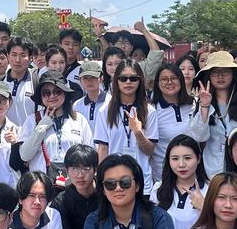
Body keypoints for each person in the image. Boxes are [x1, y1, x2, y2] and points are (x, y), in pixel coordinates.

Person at [94, 59, 159, 194]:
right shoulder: (105, 111)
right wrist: (102, 181)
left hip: (141, 181)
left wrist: (138, 133)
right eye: (123, 78)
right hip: (114, 182)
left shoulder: (149, 111)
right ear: (116, 81)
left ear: (140, 81)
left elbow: (149, 151)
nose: (128, 82)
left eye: (133, 78)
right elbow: (103, 148)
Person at [19, 71, 93, 184]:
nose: (52, 96)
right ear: (41, 97)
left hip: (73, 184)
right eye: (46, 93)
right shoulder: (31, 120)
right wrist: (43, 124)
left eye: (57, 91)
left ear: (65, 93)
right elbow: (25, 155)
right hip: (41, 185)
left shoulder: (79, 120)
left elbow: (90, 154)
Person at [196, 51, 237, 177]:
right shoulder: (202, 101)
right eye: (215, 72)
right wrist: (205, 105)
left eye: (226, 72)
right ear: (209, 76)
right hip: (212, 167)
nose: (220, 76)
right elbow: (198, 136)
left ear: (233, 74)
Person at [150, 63, 206, 182]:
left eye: (174, 78)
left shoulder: (195, 104)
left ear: (181, 80)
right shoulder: (152, 109)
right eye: (164, 79)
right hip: (163, 175)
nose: (169, 82)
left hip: (194, 172)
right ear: (157, 84)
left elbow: (202, 137)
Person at [156, 134, 208, 229]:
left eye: (187, 158)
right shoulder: (158, 189)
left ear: (198, 159)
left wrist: (204, 207)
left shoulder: (209, 190)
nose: (181, 164)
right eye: (175, 159)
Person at [2, 38, 35, 128]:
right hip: (6, 135)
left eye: (22, 55)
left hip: (31, 135)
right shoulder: (0, 83)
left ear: (30, 58)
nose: (17, 60)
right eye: (14, 55)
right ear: (8, 56)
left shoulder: (36, 82)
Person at [75, 60, 107, 137]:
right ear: (80, 81)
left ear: (101, 78)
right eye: (85, 78)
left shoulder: (110, 102)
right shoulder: (77, 105)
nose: (89, 81)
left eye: (93, 77)